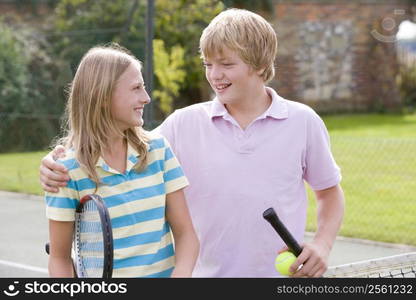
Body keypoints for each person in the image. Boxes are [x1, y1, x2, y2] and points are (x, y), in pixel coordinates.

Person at [40, 8, 344, 278]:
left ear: (260, 65)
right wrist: (55, 162)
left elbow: (329, 194)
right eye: (208, 64)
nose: (214, 75)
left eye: (226, 64)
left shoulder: (303, 122)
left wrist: (322, 244)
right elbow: (116, 144)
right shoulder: (182, 124)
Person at [44, 43, 199, 278]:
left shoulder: (158, 151)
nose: (146, 98)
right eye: (136, 88)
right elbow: (59, 259)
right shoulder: (65, 171)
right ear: (103, 96)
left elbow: (186, 234)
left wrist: (182, 273)